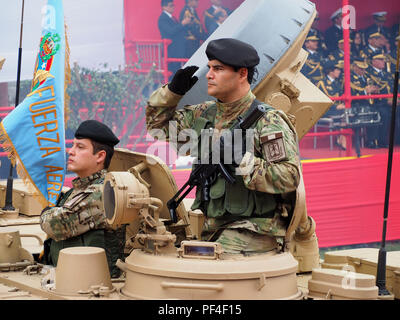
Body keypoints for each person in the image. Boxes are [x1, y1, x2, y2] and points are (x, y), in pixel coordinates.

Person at [146, 38, 301, 255]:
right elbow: (157, 128)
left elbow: (289, 176)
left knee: (206, 268)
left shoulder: (268, 120)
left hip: (255, 231)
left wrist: (242, 161)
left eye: (218, 69)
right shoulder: (203, 115)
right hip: (213, 229)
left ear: (242, 74)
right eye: (209, 68)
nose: (209, 75)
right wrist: (171, 93)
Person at [40, 120, 125, 278]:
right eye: (72, 145)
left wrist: (46, 212)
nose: (70, 151)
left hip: (94, 283)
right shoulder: (81, 188)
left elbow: (54, 224)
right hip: (77, 277)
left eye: (80, 147)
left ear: (100, 156)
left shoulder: (101, 191)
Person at [365, 53, 393, 148]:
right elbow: (373, 90)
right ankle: (375, 140)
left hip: (389, 101)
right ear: (374, 61)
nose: (383, 62)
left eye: (383, 60)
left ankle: (394, 140)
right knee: (383, 113)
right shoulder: (369, 73)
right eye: (380, 59)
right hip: (376, 102)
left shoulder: (386, 74)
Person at [316, 60, 346, 150]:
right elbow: (321, 101)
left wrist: (341, 105)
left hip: (338, 110)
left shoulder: (337, 83)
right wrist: (335, 106)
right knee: (342, 114)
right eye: (337, 70)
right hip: (326, 110)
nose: (339, 72)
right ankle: (342, 140)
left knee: (346, 112)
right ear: (331, 71)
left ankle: (341, 139)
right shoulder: (322, 83)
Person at [158, 0, 192, 78]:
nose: (173, 7)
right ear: (164, 7)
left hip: (177, 49)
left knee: (177, 71)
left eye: (173, 5)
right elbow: (170, 31)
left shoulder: (172, 17)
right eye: (170, 6)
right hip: (171, 50)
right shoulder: (163, 18)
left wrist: (187, 24)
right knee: (173, 72)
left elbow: (178, 30)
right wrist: (182, 23)